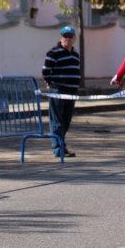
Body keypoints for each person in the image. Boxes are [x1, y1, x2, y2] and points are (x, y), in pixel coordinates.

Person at [42, 26, 81, 158]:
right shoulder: (53, 53)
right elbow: (46, 70)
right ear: (61, 38)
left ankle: (61, 146)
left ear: (74, 39)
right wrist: (48, 82)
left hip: (71, 92)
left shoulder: (75, 54)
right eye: (65, 36)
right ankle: (58, 150)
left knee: (66, 121)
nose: (68, 39)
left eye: (70, 37)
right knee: (57, 122)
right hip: (58, 90)